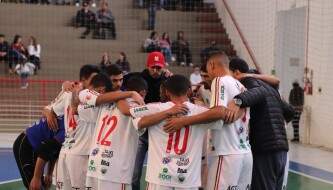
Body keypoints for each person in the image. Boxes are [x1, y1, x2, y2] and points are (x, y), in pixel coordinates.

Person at [163, 52, 253, 190]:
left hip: (226, 152)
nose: (207, 77)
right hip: (245, 153)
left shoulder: (219, 80)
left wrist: (183, 121)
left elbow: (218, 111)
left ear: (211, 65)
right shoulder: (240, 86)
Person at [130, 75, 223, 190]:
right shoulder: (201, 111)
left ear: (167, 92)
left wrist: (167, 113)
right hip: (188, 179)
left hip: (159, 178)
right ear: (189, 91)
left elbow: (135, 116)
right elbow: (221, 115)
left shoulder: (155, 108)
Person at [227, 58, 289, 190]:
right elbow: (290, 111)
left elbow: (257, 93)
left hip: (265, 149)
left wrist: (237, 101)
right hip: (281, 148)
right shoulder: (271, 88)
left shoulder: (248, 83)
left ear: (236, 72)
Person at [82, 76, 147, 190]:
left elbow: (76, 103)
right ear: (142, 92)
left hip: (94, 167)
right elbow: (138, 119)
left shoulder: (101, 101)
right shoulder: (136, 108)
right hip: (115, 173)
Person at [58, 73, 112, 190]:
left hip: (66, 150)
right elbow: (76, 109)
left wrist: (65, 87)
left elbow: (51, 109)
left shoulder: (69, 94)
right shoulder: (93, 103)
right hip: (81, 153)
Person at [132, 51, 171, 190]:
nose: (155, 70)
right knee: (134, 174)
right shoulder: (137, 78)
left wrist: (171, 78)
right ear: (147, 66)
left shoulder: (168, 81)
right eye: (153, 67)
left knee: (161, 173)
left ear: (164, 67)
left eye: (158, 68)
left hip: (159, 132)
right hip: (141, 131)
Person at [13, 115, 65, 190]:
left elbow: (55, 150)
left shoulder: (66, 124)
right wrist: (37, 178)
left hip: (38, 147)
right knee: (34, 186)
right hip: (26, 145)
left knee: (41, 186)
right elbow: (46, 148)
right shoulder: (67, 129)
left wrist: (49, 174)